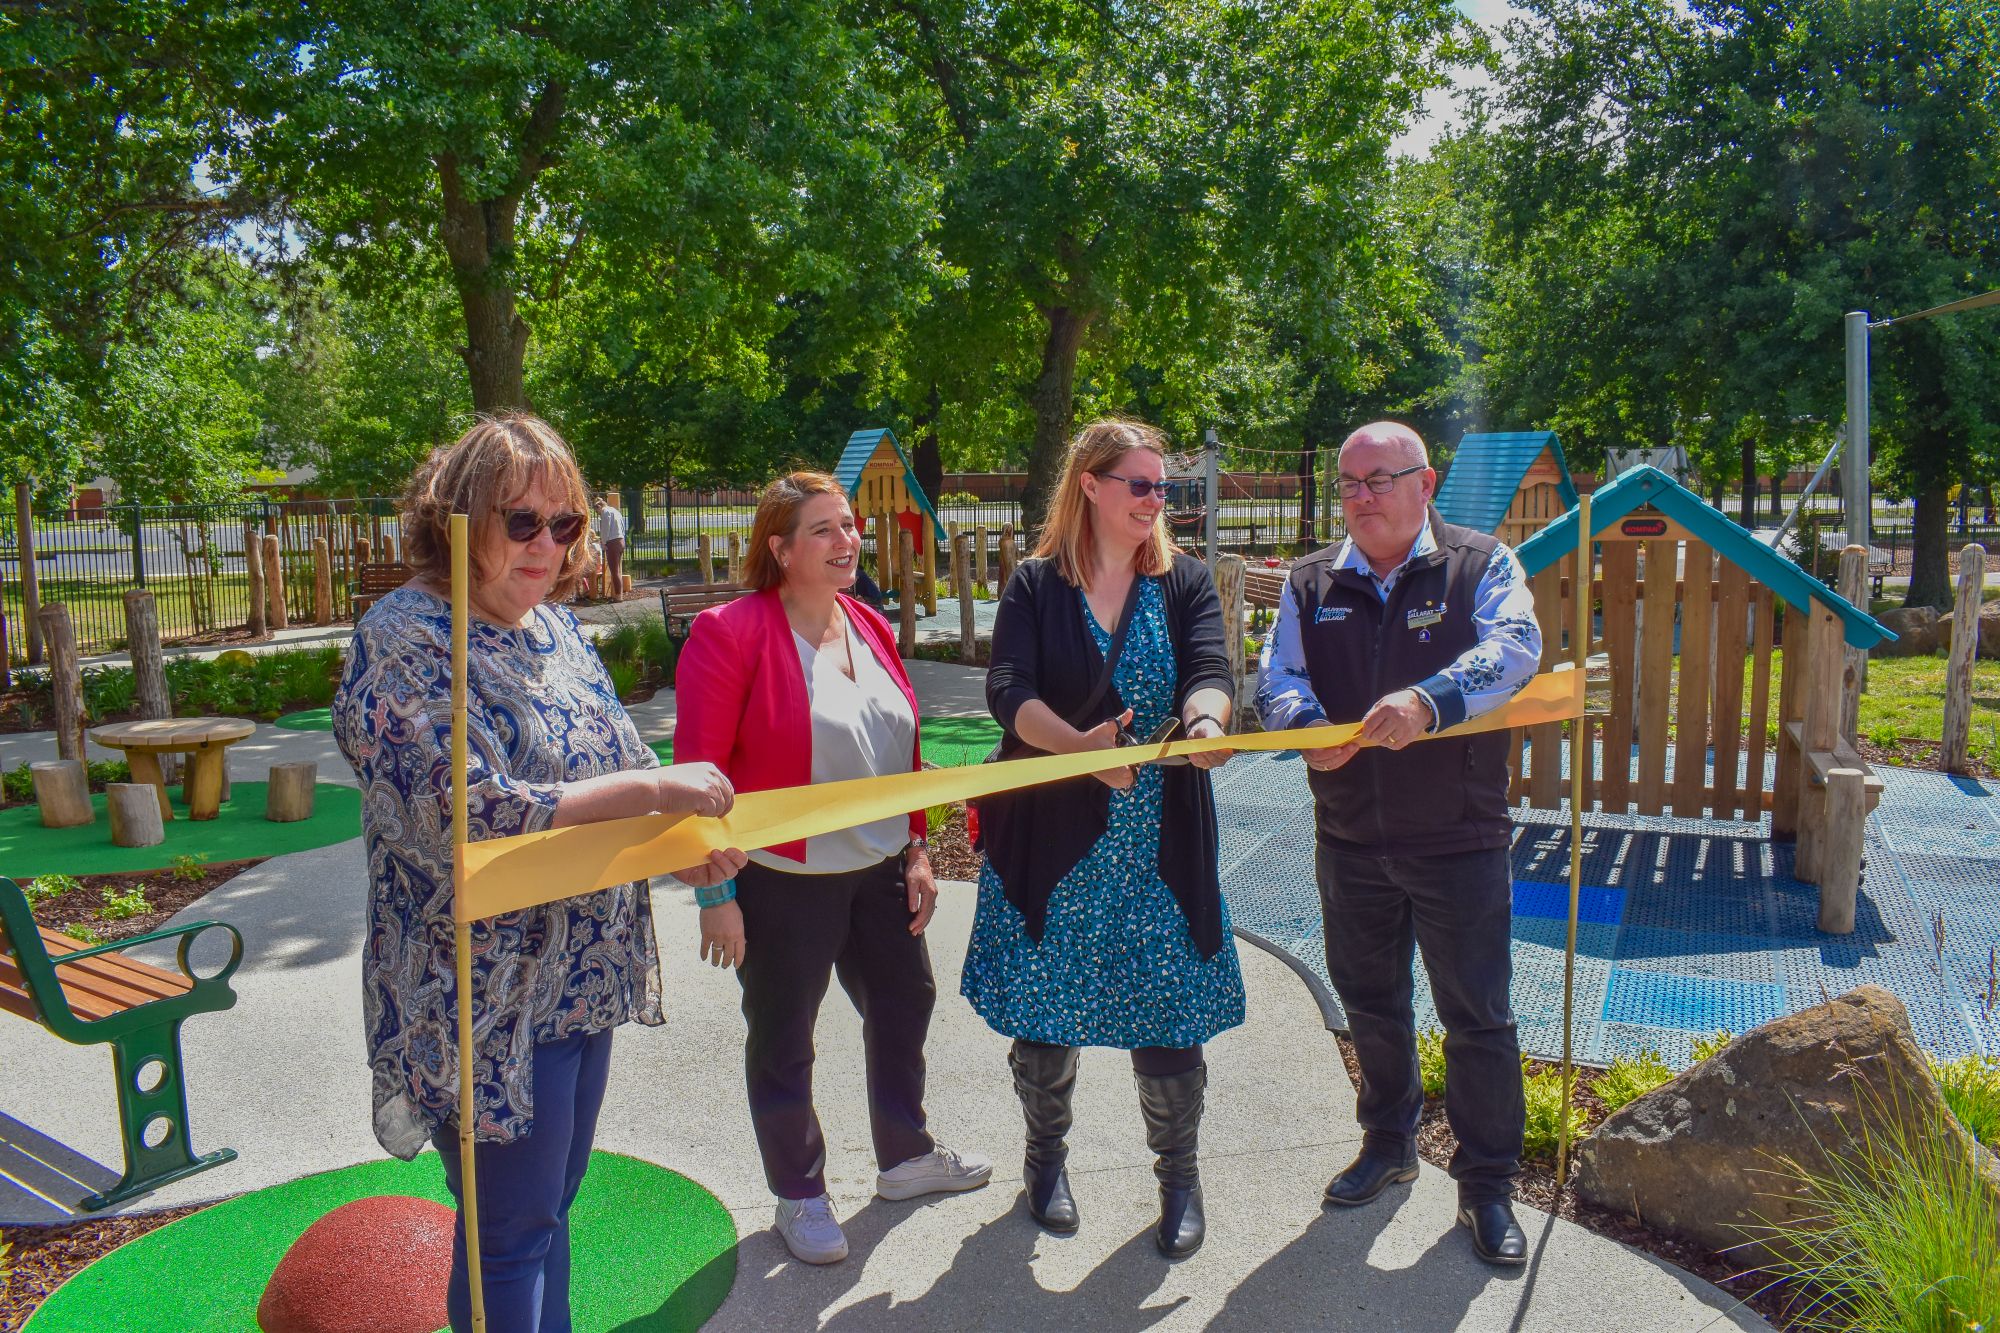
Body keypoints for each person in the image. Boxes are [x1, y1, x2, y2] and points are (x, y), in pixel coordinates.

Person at [332, 413, 746, 1333]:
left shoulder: (559, 631)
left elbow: (626, 766)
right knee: (510, 1227)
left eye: (566, 525)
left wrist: (689, 840)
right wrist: (649, 785)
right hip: (480, 989)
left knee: (550, 1204)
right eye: (522, 521)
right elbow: (454, 810)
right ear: (457, 518)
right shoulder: (405, 635)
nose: (548, 546)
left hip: (581, 972)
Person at [673, 471, 991, 1266]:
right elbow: (697, 774)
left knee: (905, 1001)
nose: (846, 540)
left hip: (879, 869)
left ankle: (906, 1155)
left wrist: (916, 845)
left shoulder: (867, 620)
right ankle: (800, 1191)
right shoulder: (730, 630)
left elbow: (902, 751)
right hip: (782, 879)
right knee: (785, 1036)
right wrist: (716, 890)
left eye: (848, 526)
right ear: (778, 548)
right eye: (822, 529)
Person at [1255, 420, 1542, 1266]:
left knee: (1478, 1018)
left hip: (1457, 838)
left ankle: (1488, 1188)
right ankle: (1388, 1143)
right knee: (1372, 1005)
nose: (1361, 498)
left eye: (1379, 480)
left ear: (1425, 484)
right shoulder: (1310, 582)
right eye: (1348, 483)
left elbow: (1517, 647)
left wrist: (1427, 698)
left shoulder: (1479, 563)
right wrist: (1306, 727)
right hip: (1348, 838)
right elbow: (1278, 679)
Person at [964, 419, 1243, 1260]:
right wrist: (1078, 750)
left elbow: (1210, 672)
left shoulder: (1182, 581)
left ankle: (1180, 1179)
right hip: (1055, 841)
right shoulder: (1034, 585)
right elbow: (1006, 688)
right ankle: (1044, 1165)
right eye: (1143, 485)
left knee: (1168, 1019)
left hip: (1159, 845)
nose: (1159, 501)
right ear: (1090, 485)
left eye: (1167, 488)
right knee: (1047, 1019)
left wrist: (1206, 722)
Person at [593, 493, 628, 598]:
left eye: (597, 511)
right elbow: (622, 527)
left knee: (614, 571)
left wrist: (603, 543)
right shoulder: (615, 511)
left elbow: (605, 529)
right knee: (617, 570)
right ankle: (619, 594)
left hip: (612, 543)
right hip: (621, 540)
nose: (598, 514)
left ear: (599, 507)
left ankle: (618, 596)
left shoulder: (605, 512)